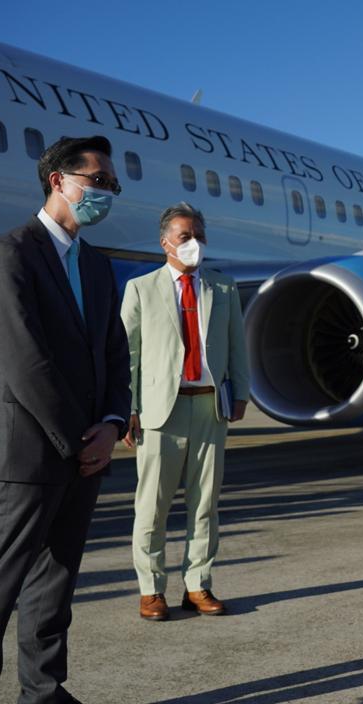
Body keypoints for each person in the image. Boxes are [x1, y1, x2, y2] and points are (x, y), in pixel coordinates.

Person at [0, 135, 131, 704]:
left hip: (86, 451)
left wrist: (113, 423)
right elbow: (24, 360)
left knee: (55, 583)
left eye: (112, 185)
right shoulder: (9, 254)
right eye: (99, 181)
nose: (106, 193)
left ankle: (44, 692)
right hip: (25, 454)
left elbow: (115, 352)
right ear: (58, 181)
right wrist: (79, 438)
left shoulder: (96, 264)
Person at [121, 202, 250, 620]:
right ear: (165, 243)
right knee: (152, 507)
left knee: (205, 504)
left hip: (210, 406)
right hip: (161, 412)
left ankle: (198, 584)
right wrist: (127, 407)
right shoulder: (141, 289)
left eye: (199, 235)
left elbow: (237, 345)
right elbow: (128, 354)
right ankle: (151, 589)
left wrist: (241, 392)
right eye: (185, 236)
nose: (194, 243)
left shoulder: (223, 288)